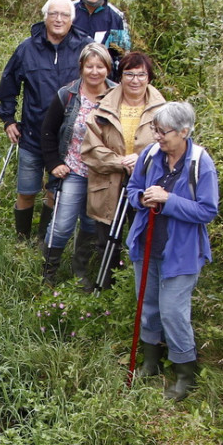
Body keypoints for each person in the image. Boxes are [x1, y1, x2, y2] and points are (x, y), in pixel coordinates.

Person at [125, 101, 218, 400]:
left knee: (174, 313)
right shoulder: (151, 156)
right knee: (148, 306)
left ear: (184, 132)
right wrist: (142, 199)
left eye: (163, 132)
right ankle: (151, 363)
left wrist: (168, 200)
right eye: (155, 130)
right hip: (147, 243)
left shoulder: (200, 163)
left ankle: (184, 376)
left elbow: (207, 210)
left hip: (182, 252)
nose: (157, 137)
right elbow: (132, 190)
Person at [0, 0, 94, 242]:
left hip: (67, 140)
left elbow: (101, 82)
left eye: (64, 15)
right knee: (26, 191)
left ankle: (43, 241)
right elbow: (8, 85)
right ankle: (22, 240)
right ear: (45, 17)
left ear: (72, 19)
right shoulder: (27, 48)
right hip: (31, 134)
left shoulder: (85, 48)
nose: (58, 19)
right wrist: (8, 119)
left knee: (54, 193)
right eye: (53, 14)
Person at [81, 51, 166, 289]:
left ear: (149, 77)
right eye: (129, 74)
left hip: (146, 185)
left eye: (141, 74)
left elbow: (170, 147)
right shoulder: (103, 107)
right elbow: (91, 149)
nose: (135, 80)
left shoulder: (163, 110)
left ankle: (136, 290)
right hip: (108, 184)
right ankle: (106, 290)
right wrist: (119, 161)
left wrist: (141, 160)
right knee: (107, 240)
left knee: (142, 240)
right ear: (120, 76)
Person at [39, 42, 117, 288]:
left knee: (91, 224)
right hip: (73, 170)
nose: (95, 72)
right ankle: (48, 272)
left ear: (108, 68)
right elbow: (48, 132)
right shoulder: (68, 95)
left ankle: (79, 271)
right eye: (90, 66)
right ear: (81, 67)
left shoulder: (117, 96)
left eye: (100, 66)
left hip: (103, 174)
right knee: (62, 225)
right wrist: (53, 163)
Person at [73, 0, 131, 78]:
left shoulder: (115, 18)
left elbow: (121, 57)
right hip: (70, 81)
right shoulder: (68, 11)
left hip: (102, 82)